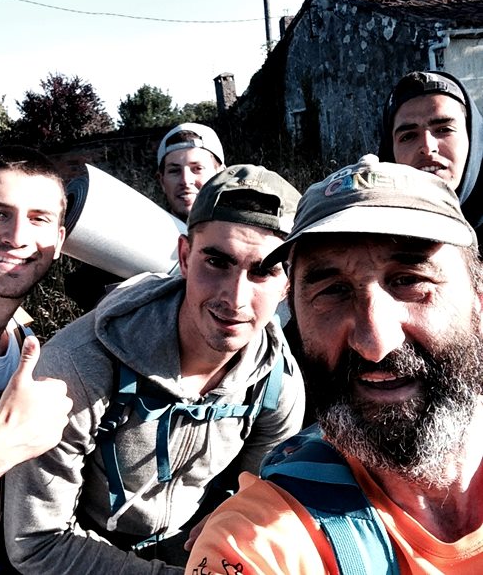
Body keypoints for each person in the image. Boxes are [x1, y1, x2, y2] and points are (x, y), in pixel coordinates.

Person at [186, 154, 483, 574]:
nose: (375, 343)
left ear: (478, 303)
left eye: (409, 280)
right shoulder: (254, 541)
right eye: (333, 291)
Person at [5, 164, 305, 574]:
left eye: (264, 271)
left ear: (288, 284)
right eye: (216, 262)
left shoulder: (276, 383)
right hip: (83, 552)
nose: (235, 298)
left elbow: (259, 496)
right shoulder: (79, 368)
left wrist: (228, 524)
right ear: (184, 257)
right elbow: (36, 544)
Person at [0, 145, 72, 574]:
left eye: (39, 219)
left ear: (59, 242)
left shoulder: (23, 341)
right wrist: (7, 442)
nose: (17, 236)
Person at [378, 69, 483, 242]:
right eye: (408, 136)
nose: (427, 148)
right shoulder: (374, 240)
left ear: (473, 138)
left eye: (444, 129)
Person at [157, 122, 225, 223]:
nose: (185, 180)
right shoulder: (146, 232)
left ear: (222, 176)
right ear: (162, 181)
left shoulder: (245, 231)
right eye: (174, 171)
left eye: (197, 168)